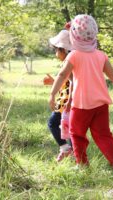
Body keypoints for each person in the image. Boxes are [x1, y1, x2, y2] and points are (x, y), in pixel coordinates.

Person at [48, 14, 113, 177]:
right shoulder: (101, 55)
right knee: (104, 135)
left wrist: (52, 94)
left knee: (77, 134)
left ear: (73, 37)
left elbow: (63, 75)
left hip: (81, 105)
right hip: (101, 104)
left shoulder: (74, 55)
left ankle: (83, 165)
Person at [44, 29, 73, 162]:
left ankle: (66, 148)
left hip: (66, 101)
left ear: (63, 49)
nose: (56, 53)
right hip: (67, 100)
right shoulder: (70, 61)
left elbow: (72, 82)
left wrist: (68, 102)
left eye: (57, 50)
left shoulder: (70, 62)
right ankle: (70, 150)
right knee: (70, 126)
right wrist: (53, 82)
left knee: (53, 123)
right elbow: (65, 81)